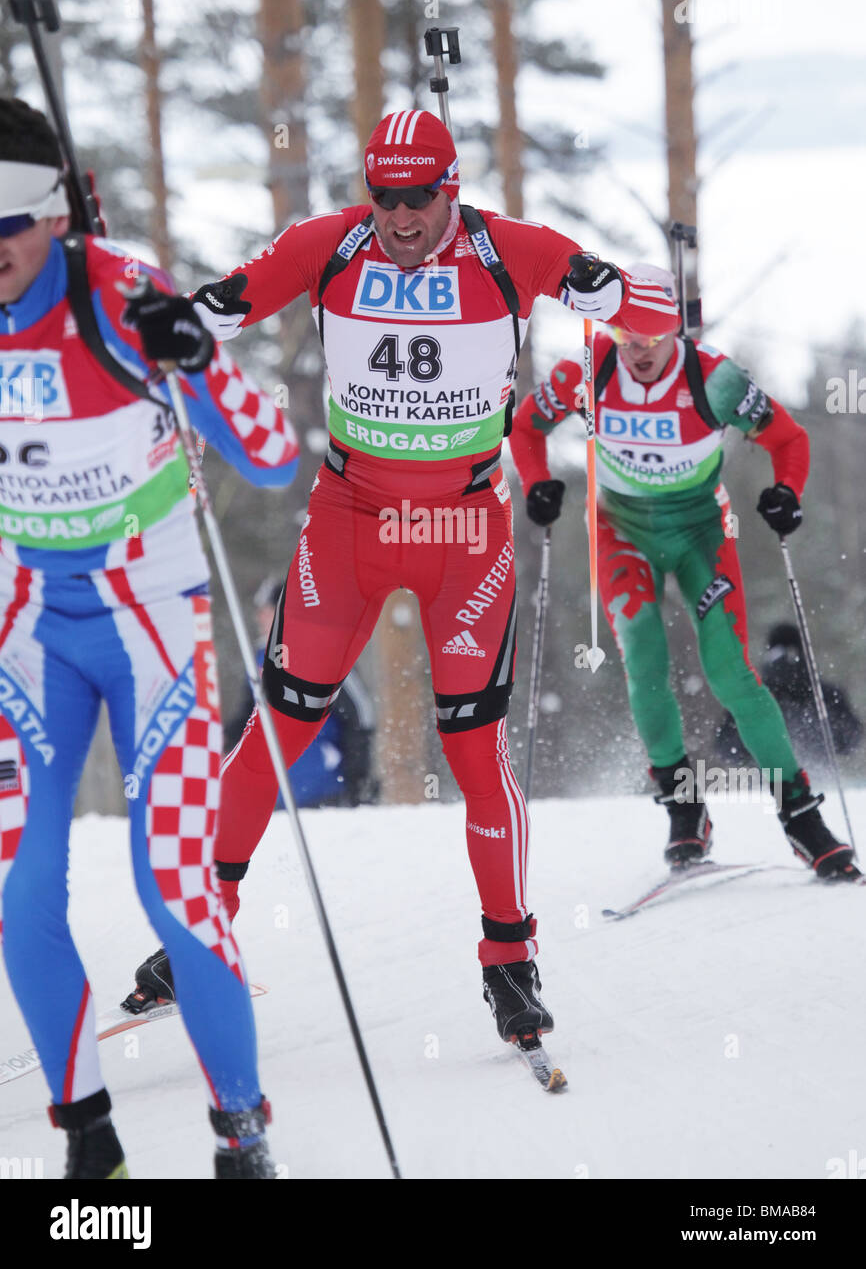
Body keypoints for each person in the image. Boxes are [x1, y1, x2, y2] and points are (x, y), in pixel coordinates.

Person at [123, 108, 680, 1049]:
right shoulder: (329, 243)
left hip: (465, 528)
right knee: (280, 726)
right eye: (385, 195)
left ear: (449, 190)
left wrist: (603, 291)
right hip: (350, 519)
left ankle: (509, 959)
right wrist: (164, 323)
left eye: (419, 197)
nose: (400, 215)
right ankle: (198, 930)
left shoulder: (511, 248)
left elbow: (656, 317)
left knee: (473, 750)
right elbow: (221, 306)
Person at [0, 97, 299, 1178]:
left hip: (150, 626)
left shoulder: (123, 294)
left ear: (51, 219)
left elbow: (270, 454)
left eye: (3, 232)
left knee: (171, 882)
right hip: (26, 630)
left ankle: (241, 1129)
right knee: (18, 887)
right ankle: (88, 1136)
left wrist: (202, 358)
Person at [508, 280, 860, 881]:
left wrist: (786, 493)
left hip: (701, 530)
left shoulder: (715, 379)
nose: (638, 349)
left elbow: (788, 438)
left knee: (731, 672)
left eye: (651, 335)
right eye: (626, 334)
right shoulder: (586, 373)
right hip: (623, 532)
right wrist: (538, 481)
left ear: (676, 329)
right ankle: (684, 806)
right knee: (644, 659)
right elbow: (525, 427)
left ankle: (801, 815)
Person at [223, 575, 380, 807]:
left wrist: (359, 775)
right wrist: (224, 740)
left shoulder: (326, 653)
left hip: (326, 791)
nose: (260, 617)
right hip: (275, 798)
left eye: (266, 610)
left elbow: (360, 714)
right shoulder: (258, 658)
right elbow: (249, 716)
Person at [716, 622, 863, 772]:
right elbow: (851, 741)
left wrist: (750, 746)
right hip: (823, 783)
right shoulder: (824, 693)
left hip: (768, 785)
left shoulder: (754, 696)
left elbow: (727, 750)